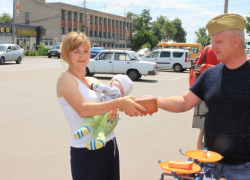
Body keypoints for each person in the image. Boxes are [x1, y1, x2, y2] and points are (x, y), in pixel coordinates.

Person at [151, 13, 250, 179]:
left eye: (218, 42)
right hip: (210, 165)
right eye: (212, 43)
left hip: (244, 169)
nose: (213, 48)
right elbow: (184, 102)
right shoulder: (210, 74)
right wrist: (155, 101)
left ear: (235, 41)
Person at [56, 31, 144, 180]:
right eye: (76, 52)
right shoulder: (65, 79)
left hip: (109, 144)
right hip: (85, 150)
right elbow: (83, 110)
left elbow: (112, 99)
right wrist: (117, 103)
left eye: (86, 51)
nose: (82, 56)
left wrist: (135, 104)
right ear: (66, 54)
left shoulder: (92, 80)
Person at [74, 74, 133, 150]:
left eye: (116, 80)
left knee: (92, 117)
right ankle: (100, 140)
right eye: (112, 78)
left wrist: (92, 85)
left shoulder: (115, 90)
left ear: (123, 89)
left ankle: (86, 127)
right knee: (100, 129)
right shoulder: (118, 97)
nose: (112, 80)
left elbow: (104, 88)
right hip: (113, 119)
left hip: (104, 111)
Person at [194, 45, 220, 150]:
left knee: (202, 130)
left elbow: (198, 65)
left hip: (203, 93)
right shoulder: (226, 49)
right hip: (219, 92)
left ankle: (199, 158)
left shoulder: (207, 49)